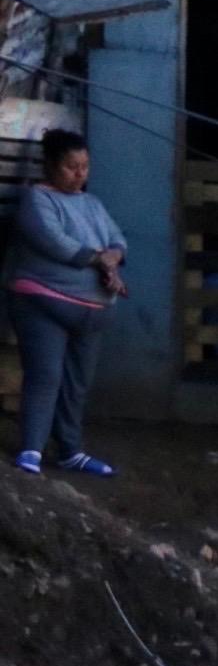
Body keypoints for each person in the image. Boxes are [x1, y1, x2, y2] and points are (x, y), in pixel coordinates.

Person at [5, 129, 124, 476]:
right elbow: (55, 242)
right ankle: (31, 449)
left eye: (84, 167)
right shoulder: (37, 201)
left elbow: (117, 237)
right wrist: (98, 258)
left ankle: (71, 450)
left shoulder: (92, 203)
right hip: (43, 302)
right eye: (72, 167)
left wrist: (114, 254)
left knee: (77, 383)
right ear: (51, 166)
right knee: (45, 377)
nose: (80, 174)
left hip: (94, 311)